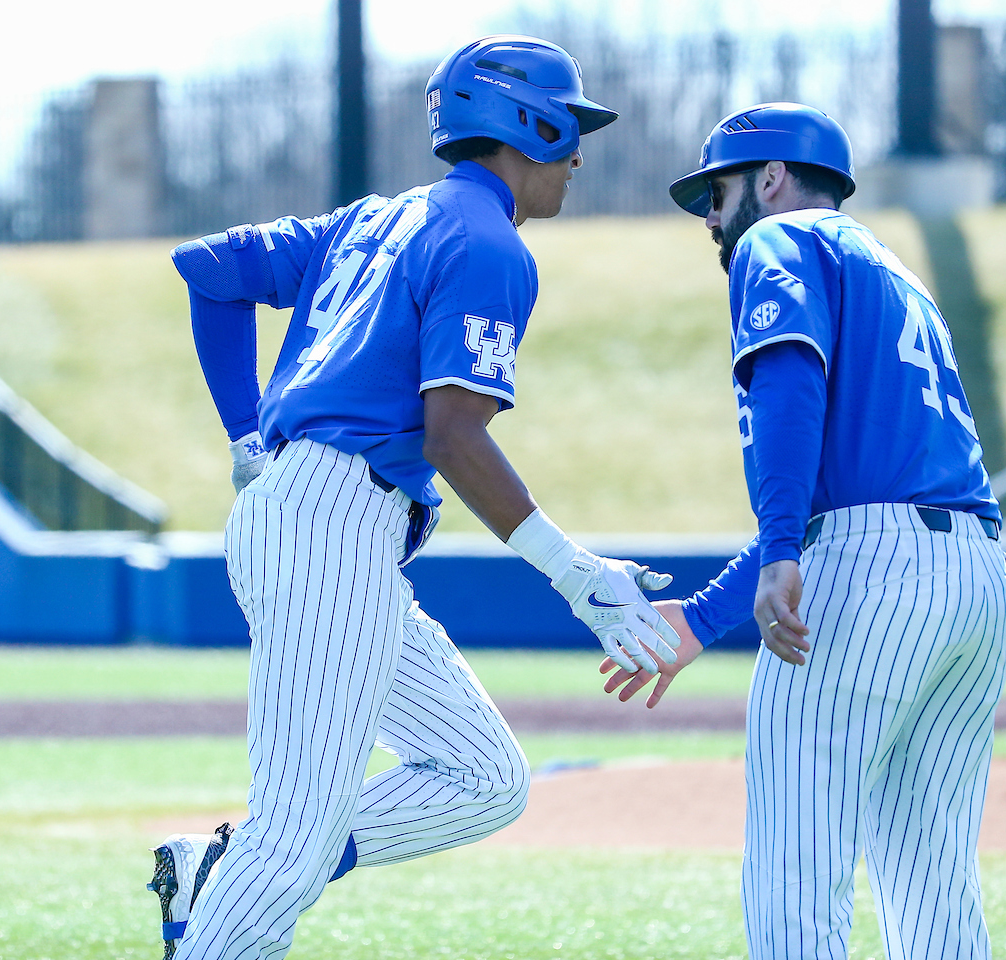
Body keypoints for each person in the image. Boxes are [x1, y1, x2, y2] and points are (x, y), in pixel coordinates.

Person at [148, 35, 680, 960]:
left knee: (483, 777)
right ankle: (238, 885)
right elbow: (454, 436)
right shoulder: (489, 245)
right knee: (295, 832)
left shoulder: (375, 217)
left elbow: (211, 268)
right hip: (333, 521)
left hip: (313, 515)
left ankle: (216, 870)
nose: (578, 155)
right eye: (570, 130)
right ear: (529, 123)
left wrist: (245, 435)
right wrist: (572, 569)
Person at [603, 102, 1006, 959]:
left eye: (716, 193)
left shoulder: (776, 242)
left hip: (872, 570)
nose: (712, 219)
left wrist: (782, 552)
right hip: (975, 581)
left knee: (796, 869)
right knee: (932, 881)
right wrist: (703, 618)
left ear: (771, 177)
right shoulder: (896, 275)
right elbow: (857, 483)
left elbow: (794, 398)